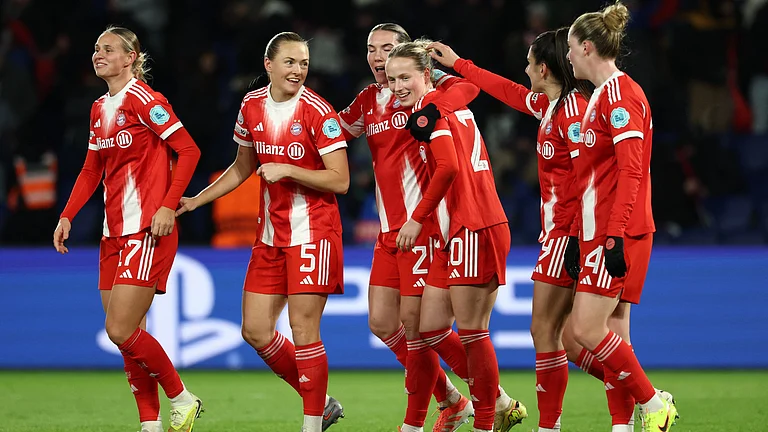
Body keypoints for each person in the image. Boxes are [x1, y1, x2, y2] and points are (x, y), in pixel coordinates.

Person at [338, 23, 524, 432]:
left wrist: (439, 90)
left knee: (423, 326)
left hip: (426, 229)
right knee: (384, 324)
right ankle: (461, 399)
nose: (378, 59)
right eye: (371, 49)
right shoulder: (369, 101)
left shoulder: (429, 100)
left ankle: (422, 420)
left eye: (388, 50)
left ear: (415, 64)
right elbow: (333, 131)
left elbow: (467, 92)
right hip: (391, 230)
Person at [175, 32, 347, 432]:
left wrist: (288, 169)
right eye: (290, 62)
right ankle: (320, 404)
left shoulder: (318, 112)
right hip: (270, 236)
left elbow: (340, 180)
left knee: (304, 331)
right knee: (255, 330)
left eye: (303, 63)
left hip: (314, 233)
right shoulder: (251, 106)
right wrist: (197, 201)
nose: (298, 70)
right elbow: (241, 167)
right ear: (268, 65)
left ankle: (311, 423)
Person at [427, 28, 591, 432]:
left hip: (571, 234)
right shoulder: (549, 105)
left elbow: (587, 178)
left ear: (545, 68)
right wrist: (458, 63)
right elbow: (505, 90)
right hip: (560, 233)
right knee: (561, 336)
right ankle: (563, 420)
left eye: (529, 63)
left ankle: (640, 396)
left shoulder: (573, 113)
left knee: (562, 333)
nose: (525, 70)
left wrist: (575, 235)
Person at [53, 26, 203, 432]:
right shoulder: (99, 107)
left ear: (131, 57)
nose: (98, 54)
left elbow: (189, 150)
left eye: (108, 49)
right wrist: (67, 214)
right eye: (96, 48)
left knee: (119, 328)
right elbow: (91, 168)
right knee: (128, 335)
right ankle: (149, 424)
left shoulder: (145, 100)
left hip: (147, 229)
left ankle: (182, 397)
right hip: (112, 232)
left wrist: (168, 206)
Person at [565, 2, 679, 431]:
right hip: (600, 231)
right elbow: (594, 178)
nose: (569, 56)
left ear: (588, 47)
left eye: (573, 48)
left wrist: (613, 237)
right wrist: (582, 235)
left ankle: (652, 402)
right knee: (616, 333)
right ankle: (622, 425)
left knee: (584, 331)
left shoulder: (621, 97)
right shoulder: (598, 97)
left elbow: (633, 172)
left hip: (621, 231)